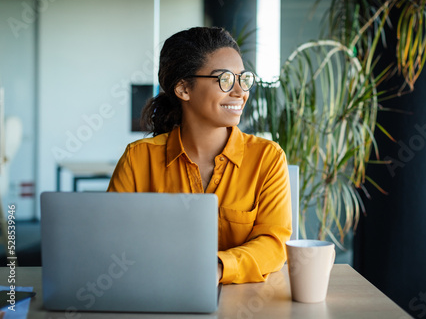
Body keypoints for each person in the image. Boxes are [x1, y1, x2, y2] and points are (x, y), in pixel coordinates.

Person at [107, 26, 292, 284]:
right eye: (225, 79)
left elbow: (274, 244)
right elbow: (112, 241)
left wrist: (217, 268)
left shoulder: (267, 158)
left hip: (242, 302)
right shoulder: (138, 159)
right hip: (158, 294)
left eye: (243, 78)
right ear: (183, 89)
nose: (240, 92)